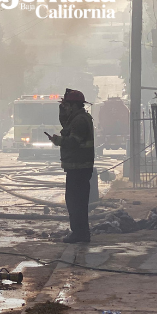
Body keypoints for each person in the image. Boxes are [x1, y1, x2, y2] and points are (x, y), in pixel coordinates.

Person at [47, 89, 95, 243]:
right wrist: (62, 110)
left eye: (67, 105)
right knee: (76, 201)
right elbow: (66, 124)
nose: (65, 108)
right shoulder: (78, 118)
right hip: (78, 167)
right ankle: (81, 232)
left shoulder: (80, 121)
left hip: (79, 167)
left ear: (73, 105)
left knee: (75, 202)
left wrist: (58, 141)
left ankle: (79, 234)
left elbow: (73, 142)